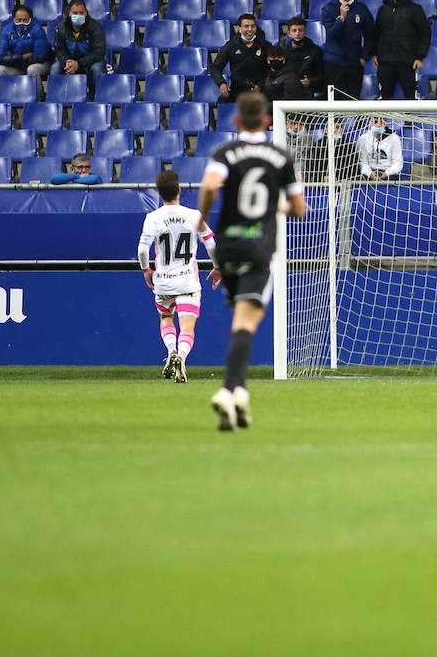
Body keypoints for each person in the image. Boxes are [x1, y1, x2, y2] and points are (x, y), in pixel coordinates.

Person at [197, 91, 307, 430]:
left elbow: (210, 185)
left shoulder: (224, 152)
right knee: (246, 322)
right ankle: (229, 390)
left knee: (237, 319)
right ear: (267, 121)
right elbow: (300, 208)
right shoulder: (279, 156)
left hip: (227, 246)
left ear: (235, 121)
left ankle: (239, 391)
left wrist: (202, 217)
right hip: (260, 247)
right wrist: (277, 204)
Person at [137, 168, 221, 384]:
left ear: (159, 192)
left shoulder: (152, 218)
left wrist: (147, 270)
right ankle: (181, 357)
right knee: (187, 327)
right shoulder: (194, 216)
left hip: (163, 282)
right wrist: (218, 266)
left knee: (166, 318)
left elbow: (143, 250)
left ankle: (171, 350)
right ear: (179, 190)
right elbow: (211, 243)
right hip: (188, 281)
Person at [371, 0, 429, 101]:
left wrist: (420, 57)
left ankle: (410, 122)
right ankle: (384, 121)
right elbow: (376, 33)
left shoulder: (415, 9)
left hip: (408, 62)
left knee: (410, 98)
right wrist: (374, 53)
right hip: (385, 62)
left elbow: (425, 34)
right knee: (385, 98)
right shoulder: (383, 9)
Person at [319, 0, 374, 100]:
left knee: (353, 99)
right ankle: (335, 121)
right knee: (333, 101)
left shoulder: (362, 9)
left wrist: (364, 57)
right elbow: (332, 35)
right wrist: (342, 18)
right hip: (333, 62)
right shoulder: (328, 9)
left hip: (354, 62)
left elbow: (370, 34)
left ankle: (354, 121)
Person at [208, 13, 269, 103]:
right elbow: (215, 68)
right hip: (238, 91)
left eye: (253, 26)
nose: (250, 29)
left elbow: (272, 70)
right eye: (246, 26)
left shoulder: (265, 46)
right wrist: (222, 84)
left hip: (260, 91)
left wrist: (261, 85)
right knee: (222, 101)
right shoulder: (231, 46)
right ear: (239, 29)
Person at [51, 0, 107, 91]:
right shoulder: (61, 27)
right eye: (75, 13)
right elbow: (59, 49)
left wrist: (79, 64)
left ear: (86, 13)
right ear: (69, 14)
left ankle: (95, 98)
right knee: (55, 67)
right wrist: (68, 62)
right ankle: (55, 97)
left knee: (97, 69)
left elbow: (99, 52)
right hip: (70, 62)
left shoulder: (95, 27)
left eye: (81, 13)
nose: (78, 15)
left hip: (91, 62)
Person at [0, 4, 51, 78]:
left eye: (25, 20)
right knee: (0, 70)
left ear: (30, 19)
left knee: (32, 69)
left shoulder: (37, 29)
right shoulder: (6, 30)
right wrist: (23, 57)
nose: (21, 23)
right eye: (18, 20)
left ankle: (36, 90)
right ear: (14, 19)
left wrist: (13, 59)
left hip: (39, 64)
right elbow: (0, 58)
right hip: (17, 66)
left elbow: (39, 57)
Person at [279, 18, 324, 97]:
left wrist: (311, 81)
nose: (297, 33)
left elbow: (322, 75)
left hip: (309, 91)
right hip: (289, 91)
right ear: (289, 33)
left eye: (300, 30)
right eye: (294, 30)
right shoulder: (284, 53)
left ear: (305, 32)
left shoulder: (316, 51)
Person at [356, 115, 403, 181]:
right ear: (370, 123)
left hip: (389, 174)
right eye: (375, 122)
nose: (378, 125)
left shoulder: (395, 138)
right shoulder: (363, 138)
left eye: (381, 122)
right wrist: (369, 173)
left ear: (385, 124)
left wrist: (387, 173)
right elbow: (363, 162)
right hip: (369, 173)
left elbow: (398, 163)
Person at [283, 114, 321, 183]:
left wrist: (300, 172)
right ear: (287, 124)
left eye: (300, 124)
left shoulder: (308, 139)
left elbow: (304, 160)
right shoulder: (277, 136)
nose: (296, 127)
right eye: (293, 123)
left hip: (298, 172)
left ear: (303, 125)